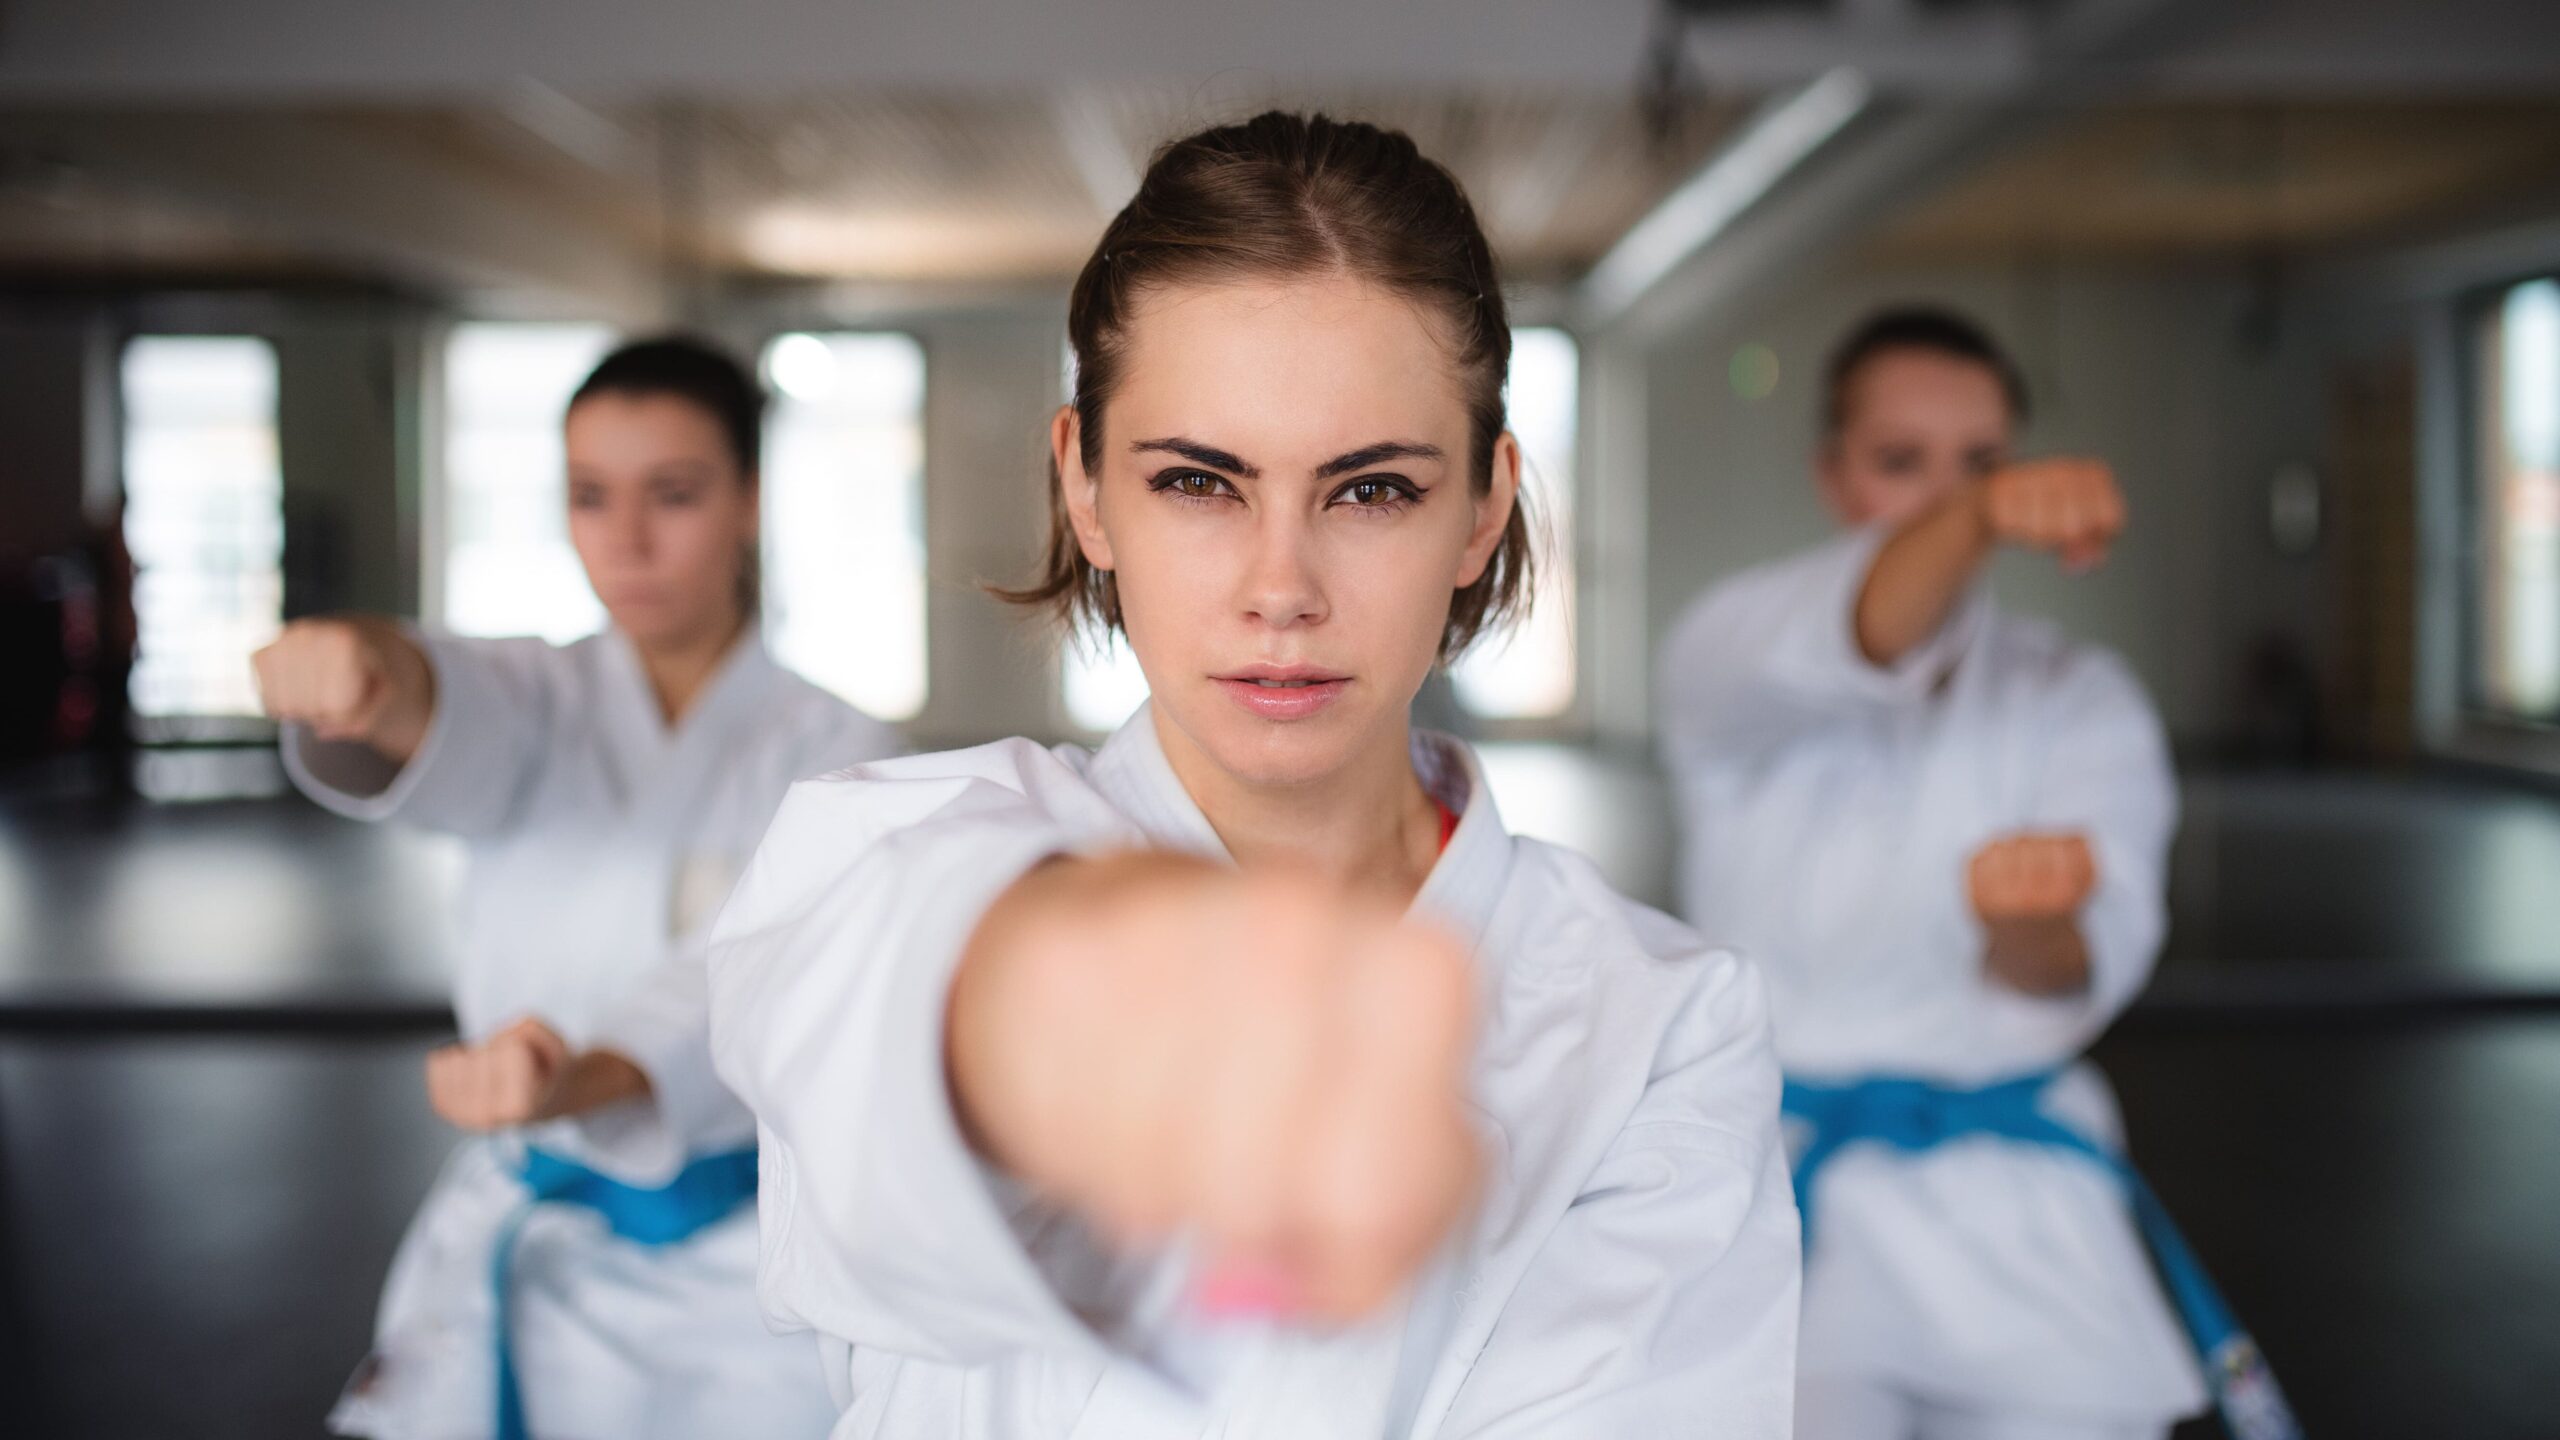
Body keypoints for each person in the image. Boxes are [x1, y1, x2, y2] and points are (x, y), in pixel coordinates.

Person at [705, 112, 1800, 1438]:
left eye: (1372, 491)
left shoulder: (1664, 1028)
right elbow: (885, 1003)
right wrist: (1059, 1001)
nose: (1281, 589)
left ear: (1485, 508)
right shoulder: (870, 858)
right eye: (1199, 483)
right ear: (1087, 490)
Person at [1658, 308, 2288, 1440]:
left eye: (1981, 464)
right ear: (1833, 475)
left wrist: (2029, 928)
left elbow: (2068, 975)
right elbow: (1874, 620)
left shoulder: (2081, 697)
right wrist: (1978, 511)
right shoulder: (1730, 645)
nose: (1948, 495)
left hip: (2020, 1201)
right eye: (1903, 463)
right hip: (1783, 1187)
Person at [255, 337, 899, 1439]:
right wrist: (365, 670)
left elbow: (744, 977)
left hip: (747, 1253)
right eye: (590, 497)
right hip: (526, 1210)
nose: (628, 539)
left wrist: (587, 1075)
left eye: (675, 494)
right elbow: (441, 700)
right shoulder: (540, 698)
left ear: (746, 502)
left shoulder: (844, 747)